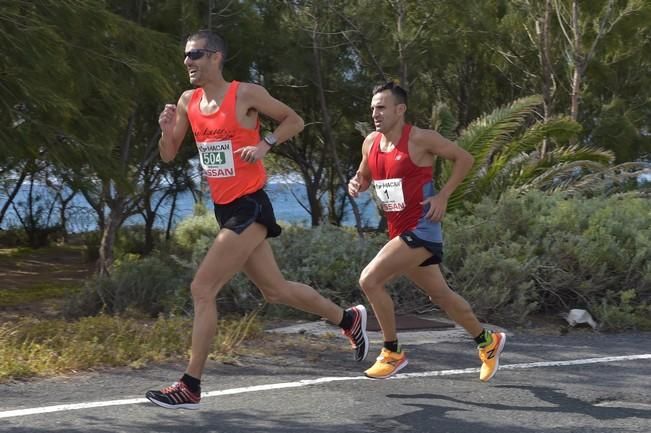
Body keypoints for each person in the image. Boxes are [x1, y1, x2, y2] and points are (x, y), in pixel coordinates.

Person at [146, 30, 368, 410]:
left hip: (250, 205)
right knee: (275, 290)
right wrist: (167, 132)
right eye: (185, 56)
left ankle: (190, 384)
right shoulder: (188, 101)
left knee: (202, 289)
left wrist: (265, 144)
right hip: (225, 208)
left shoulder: (245, 94)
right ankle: (347, 319)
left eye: (195, 55)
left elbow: (294, 120)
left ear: (216, 57)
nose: (188, 62)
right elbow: (168, 154)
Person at [348, 81, 506, 381]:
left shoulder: (421, 139)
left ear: (400, 109)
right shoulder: (370, 142)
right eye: (372, 109)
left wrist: (443, 195)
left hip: (422, 228)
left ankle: (392, 352)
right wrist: (356, 183)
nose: (375, 114)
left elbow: (465, 158)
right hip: (398, 231)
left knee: (370, 280)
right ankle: (488, 341)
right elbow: (364, 175)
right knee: (441, 296)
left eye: (381, 107)